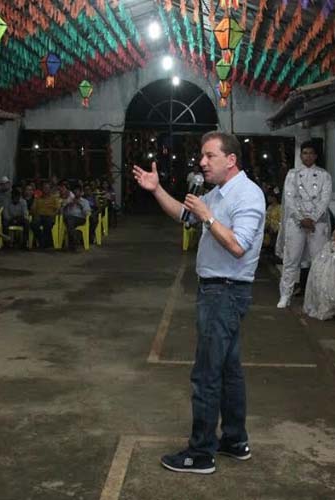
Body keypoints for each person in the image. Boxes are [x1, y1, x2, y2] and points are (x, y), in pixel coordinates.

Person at [133, 131, 265, 474]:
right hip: (217, 290)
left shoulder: (248, 196)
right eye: (202, 156)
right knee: (228, 371)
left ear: (231, 159)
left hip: (225, 292)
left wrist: (208, 216)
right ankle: (235, 440)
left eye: (209, 156)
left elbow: (238, 245)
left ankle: (201, 452)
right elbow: (184, 216)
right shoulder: (219, 193)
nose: (202, 162)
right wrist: (157, 190)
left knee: (206, 373)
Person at [276, 141, 332, 308]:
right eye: (304, 153)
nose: (307, 156)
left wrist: (312, 218)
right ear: (300, 156)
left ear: (315, 156)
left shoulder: (324, 175)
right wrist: (302, 218)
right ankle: (285, 295)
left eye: (311, 153)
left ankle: (317, 297)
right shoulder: (292, 174)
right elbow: (289, 198)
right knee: (291, 259)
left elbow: (325, 199)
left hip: (317, 223)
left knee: (318, 261)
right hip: (296, 221)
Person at [30, 181, 60, 249]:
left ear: (50, 189)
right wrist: (35, 213)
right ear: (42, 189)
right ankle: (42, 241)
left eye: (47, 188)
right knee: (33, 224)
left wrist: (53, 215)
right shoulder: (37, 198)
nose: (45, 189)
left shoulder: (54, 198)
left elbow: (58, 209)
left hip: (50, 216)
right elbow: (33, 208)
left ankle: (44, 243)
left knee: (48, 224)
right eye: (44, 188)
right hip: (39, 216)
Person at [62, 184, 91, 251]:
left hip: (80, 218)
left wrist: (80, 205)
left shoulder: (85, 201)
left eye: (77, 191)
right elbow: (62, 211)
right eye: (74, 191)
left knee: (70, 221)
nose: (76, 192)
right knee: (70, 221)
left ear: (81, 192)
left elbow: (87, 213)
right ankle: (74, 239)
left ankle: (73, 242)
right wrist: (67, 205)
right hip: (69, 219)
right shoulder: (69, 200)